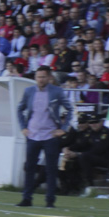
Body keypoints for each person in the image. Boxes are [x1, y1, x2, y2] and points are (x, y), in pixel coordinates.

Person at [16, 66, 73, 208]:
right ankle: (27, 198)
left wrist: (63, 129)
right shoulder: (29, 91)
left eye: (43, 77)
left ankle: (50, 201)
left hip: (50, 135)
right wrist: (23, 127)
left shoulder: (57, 91)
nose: (40, 79)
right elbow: (20, 108)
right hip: (33, 135)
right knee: (29, 168)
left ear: (49, 78)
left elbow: (70, 109)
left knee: (51, 169)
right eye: (38, 77)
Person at [60, 114, 109, 192]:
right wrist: (67, 148)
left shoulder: (106, 133)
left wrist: (78, 154)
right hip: (93, 158)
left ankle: (89, 184)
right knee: (70, 160)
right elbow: (81, 144)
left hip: (106, 160)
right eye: (91, 122)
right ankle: (71, 186)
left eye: (96, 122)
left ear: (102, 122)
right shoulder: (91, 132)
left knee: (84, 157)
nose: (93, 124)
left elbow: (99, 150)